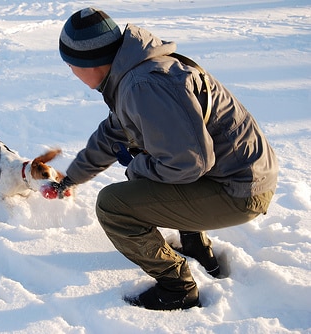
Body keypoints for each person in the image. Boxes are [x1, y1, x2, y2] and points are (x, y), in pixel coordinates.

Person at [53, 7, 278, 311]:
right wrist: (70, 178)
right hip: (238, 176)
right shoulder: (134, 70)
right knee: (153, 162)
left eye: (71, 65)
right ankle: (195, 246)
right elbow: (112, 134)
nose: (71, 72)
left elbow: (188, 165)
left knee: (113, 205)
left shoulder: (144, 85)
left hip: (240, 191)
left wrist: (137, 166)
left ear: (90, 62)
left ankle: (177, 287)